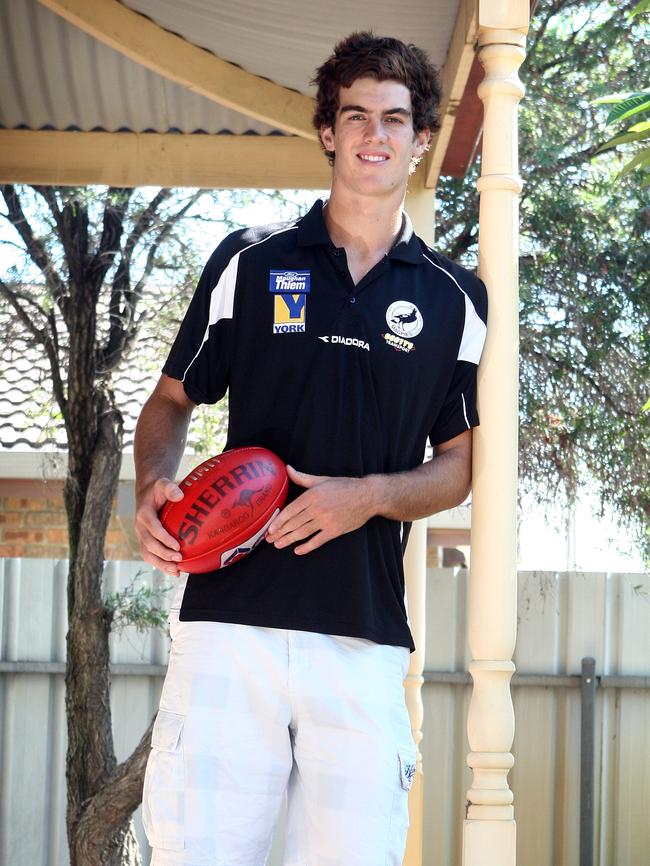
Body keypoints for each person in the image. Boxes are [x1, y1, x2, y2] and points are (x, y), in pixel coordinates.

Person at [134, 31, 487, 866]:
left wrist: (364, 496)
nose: (375, 133)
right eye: (355, 115)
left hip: (360, 636)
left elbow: (459, 467)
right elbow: (172, 400)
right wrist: (152, 480)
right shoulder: (248, 262)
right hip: (229, 622)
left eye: (395, 119)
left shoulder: (456, 299)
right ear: (327, 131)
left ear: (421, 138)